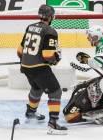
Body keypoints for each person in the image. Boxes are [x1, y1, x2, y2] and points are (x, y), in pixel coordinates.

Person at [17, 4, 67, 135]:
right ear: (51, 17)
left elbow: (19, 51)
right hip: (38, 68)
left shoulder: (30, 27)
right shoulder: (50, 31)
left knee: (37, 88)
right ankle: (53, 124)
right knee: (56, 92)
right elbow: (47, 55)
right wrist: (57, 57)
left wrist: (26, 60)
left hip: (25, 67)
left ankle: (31, 112)